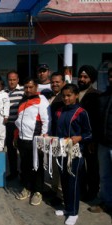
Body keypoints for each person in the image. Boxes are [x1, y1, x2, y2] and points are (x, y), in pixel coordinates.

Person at [54, 84, 92, 225]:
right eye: (64, 96)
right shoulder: (58, 112)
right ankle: (67, 208)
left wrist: (79, 138)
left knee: (73, 182)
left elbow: (89, 134)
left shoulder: (81, 112)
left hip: (75, 153)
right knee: (64, 180)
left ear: (76, 95)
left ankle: (74, 212)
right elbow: (55, 132)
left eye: (69, 95)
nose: (66, 98)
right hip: (61, 151)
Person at [14, 77, 50, 206]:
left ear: (36, 87)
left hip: (35, 139)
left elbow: (46, 121)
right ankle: (27, 188)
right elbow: (19, 121)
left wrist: (42, 139)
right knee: (24, 165)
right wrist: (16, 136)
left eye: (30, 87)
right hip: (22, 139)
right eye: (26, 87)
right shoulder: (23, 100)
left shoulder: (42, 100)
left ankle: (38, 191)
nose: (28, 90)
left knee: (37, 166)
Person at [88, 67, 112, 215]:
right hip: (103, 143)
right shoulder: (103, 96)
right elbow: (97, 121)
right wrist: (94, 140)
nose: (111, 78)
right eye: (110, 76)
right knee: (104, 175)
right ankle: (106, 203)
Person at [77, 65, 101, 202]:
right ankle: (81, 190)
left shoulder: (96, 95)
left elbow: (97, 119)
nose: (81, 79)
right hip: (76, 137)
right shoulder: (74, 93)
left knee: (92, 167)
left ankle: (92, 192)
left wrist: (93, 139)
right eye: (80, 76)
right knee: (79, 166)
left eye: (85, 77)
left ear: (91, 79)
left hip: (90, 138)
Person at [48, 72, 66, 206]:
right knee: (54, 166)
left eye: (57, 82)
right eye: (53, 82)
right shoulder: (49, 96)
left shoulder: (65, 98)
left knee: (62, 168)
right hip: (52, 137)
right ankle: (54, 191)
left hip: (63, 138)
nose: (55, 84)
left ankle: (61, 195)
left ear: (63, 83)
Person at [5, 70, 24, 180]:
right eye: (10, 80)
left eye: (14, 80)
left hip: (20, 126)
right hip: (8, 125)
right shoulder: (4, 92)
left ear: (18, 80)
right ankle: (13, 172)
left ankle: (23, 173)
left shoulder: (23, 91)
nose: (11, 82)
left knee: (21, 151)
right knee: (11, 150)